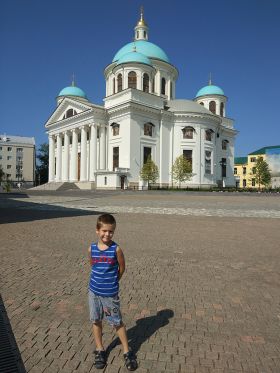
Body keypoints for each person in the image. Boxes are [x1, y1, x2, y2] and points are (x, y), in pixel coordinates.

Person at [88, 213, 137, 371]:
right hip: (94, 293)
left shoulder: (116, 249)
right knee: (96, 320)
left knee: (117, 322)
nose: (107, 234)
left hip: (110, 294)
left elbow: (122, 268)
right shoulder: (92, 248)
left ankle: (127, 351)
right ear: (97, 230)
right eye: (104, 231)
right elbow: (93, 266)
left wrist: (114, 281)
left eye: (110, 231)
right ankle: (100, 349)